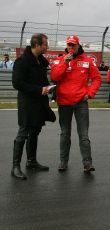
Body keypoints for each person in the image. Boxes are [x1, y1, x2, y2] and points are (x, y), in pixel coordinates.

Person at [51, 35, 102, 173]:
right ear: (66, 46)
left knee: (83, 135)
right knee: (65, 134)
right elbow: (54, 77)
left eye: (74, 45)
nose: (71, 47)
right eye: (69, 45)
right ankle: (63, 162)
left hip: (81, 103)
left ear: (79, 46)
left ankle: (87, 163)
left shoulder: (87, 61)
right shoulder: (60, 60)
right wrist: (64, 63)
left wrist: (90, 93)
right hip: (64, 103)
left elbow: (97, 78)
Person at [11, 33, 56, 180]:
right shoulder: (22, 61)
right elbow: (17, 83)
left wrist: (48, 88)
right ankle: (15, 166)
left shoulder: (41, 61)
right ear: (37, 45)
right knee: (23, 132)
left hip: (39, 102)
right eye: (45, 44)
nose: (47, 47)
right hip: (27, 103)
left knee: (35, 131)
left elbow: (42, 80)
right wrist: (38, 90)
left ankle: (31, 161)